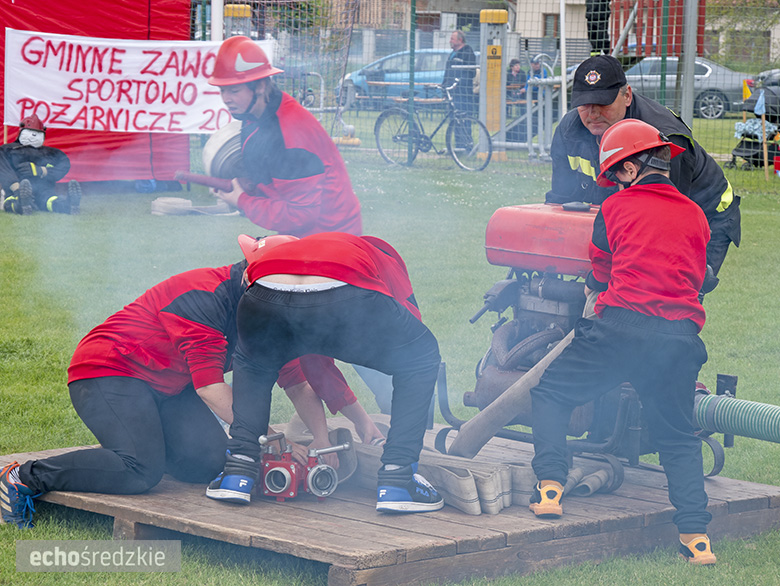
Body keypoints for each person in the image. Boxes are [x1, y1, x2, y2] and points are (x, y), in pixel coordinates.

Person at [0, 242, 384, 529]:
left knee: (209, 462)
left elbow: (298, 382)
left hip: (169, 385)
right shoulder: (203, 298)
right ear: (254, 280)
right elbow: (210, 389)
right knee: (140, 470)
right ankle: (23, 477)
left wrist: (321, 441)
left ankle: (137, 445)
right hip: (108, 371)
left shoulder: (269, 310)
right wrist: (274, 439)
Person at [529, 118, 716, 565]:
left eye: (615, 174)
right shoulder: (695, 214)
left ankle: (550, 488)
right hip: (678, 338)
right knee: (678, 437)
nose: (613, 182)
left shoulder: (614, 207)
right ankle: (696, 539)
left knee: (551, 393)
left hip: (620, 330)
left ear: (631, 168)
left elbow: (600, 270)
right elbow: (699, 276)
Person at [206, 232, 444, 513]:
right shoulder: (384, 255)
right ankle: (398, 479)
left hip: (263, 289)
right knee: (421, 357)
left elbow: (315, 361)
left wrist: (359, 418)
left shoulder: (304, 249)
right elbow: (409, 321)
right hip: (341, 286)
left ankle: (238, 472)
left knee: (254, 364)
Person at [546, 54, 740, 275]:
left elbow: (667, 221)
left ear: (627, 95)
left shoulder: (662, 139)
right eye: (584, 104)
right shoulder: (569, 131)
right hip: (638, 214)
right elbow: (560, 198)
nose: (593, 113)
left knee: (668, 286)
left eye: (603, 103)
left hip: (707, 215)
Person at [207, 36, 361, 238]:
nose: (226, 99)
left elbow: (300, 215)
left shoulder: (290, 135)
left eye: (234, 90)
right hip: (305, 232)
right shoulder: (254, 115)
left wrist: (243, 201)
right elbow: (270, 175)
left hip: (332, 237)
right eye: (222, 90)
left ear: (260, 86)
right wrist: (242, 185)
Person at [0, 114, 81, 215]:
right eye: (30, 132)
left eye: (37, 133)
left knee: (50, 200)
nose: (33, 136)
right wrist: (17, 188)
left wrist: (43, 171)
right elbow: (3, 169)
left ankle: (68, 205)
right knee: (12, 202)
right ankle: (21, 202)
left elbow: (64, 164)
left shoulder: (51, 152)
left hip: (43, 188)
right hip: (16, 189)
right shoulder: (6, 150)